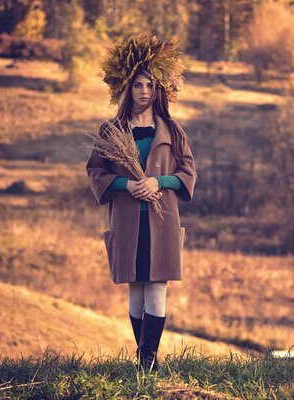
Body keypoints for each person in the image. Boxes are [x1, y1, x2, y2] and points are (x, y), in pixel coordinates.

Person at [85, 33, 197, 372]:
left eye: (149, 85)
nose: (143, 92)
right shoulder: (112, 129)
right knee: (135, 289)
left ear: (158, 89)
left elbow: (188, 173)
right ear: (127, 89)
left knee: (157, 289)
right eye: (137, 86)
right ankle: (144, 357)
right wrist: (127, 184)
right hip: (128, 219)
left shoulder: (174, 131)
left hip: (162, 222)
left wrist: (158, 182)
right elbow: (95, 171)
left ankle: (147, 362)